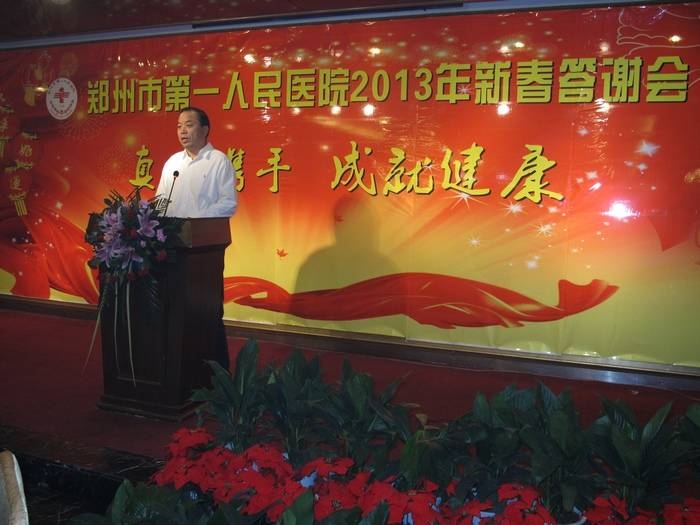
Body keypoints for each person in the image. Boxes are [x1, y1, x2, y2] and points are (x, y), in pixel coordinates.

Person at [155, 106, 237, 370]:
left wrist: (193, 224)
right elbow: (160, 202)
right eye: (179, 126)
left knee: (205, 311)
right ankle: (174, 367)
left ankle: (214, 372)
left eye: (189, 125)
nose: (182, 131)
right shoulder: (172, 163)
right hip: (171, 249)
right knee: (173, 310)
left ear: (205, 129)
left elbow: (228, 203)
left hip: (204, 251)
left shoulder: (218, 161)